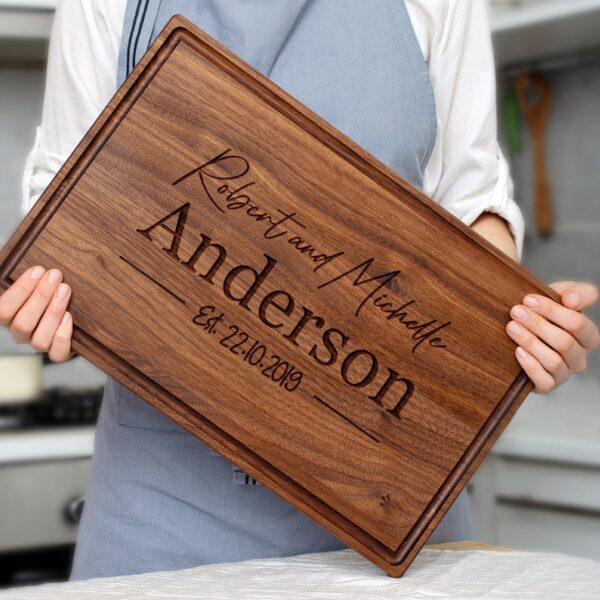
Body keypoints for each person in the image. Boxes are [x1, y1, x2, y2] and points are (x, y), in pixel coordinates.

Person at [1, 0, 598, 581]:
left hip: (386, 488)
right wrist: (51, 301)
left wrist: (513, 323)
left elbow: (473, 207)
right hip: (164, 506)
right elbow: (66, 204)